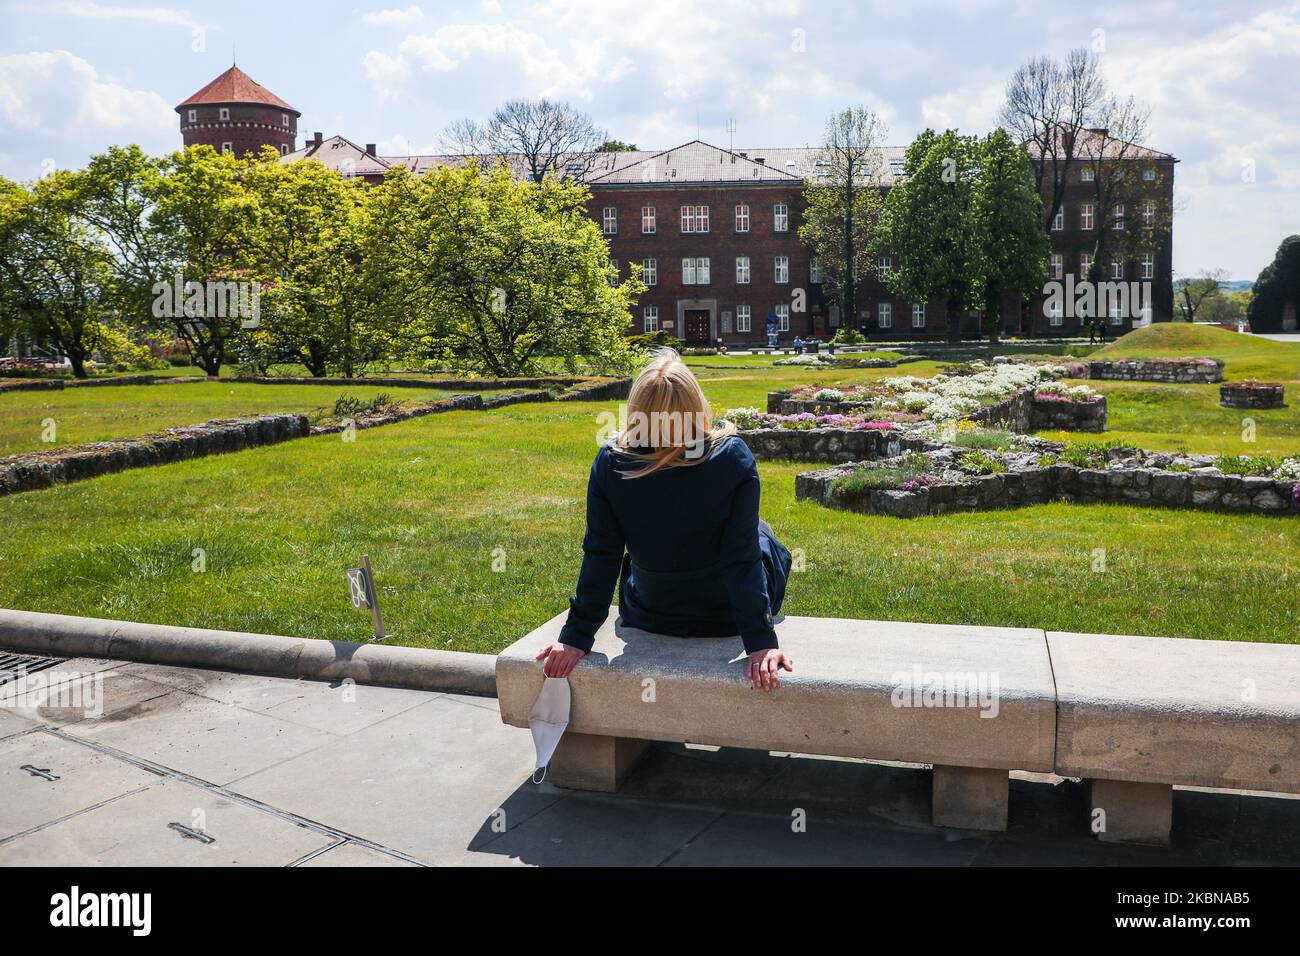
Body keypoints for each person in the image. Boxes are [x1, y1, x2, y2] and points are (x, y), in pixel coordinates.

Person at [536, 348, 795, 692]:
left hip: (651, 610)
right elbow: (740, 557)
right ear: (695, 405)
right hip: (726, 615)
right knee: (761, 533)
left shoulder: (612, 462)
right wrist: (760, 642)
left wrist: (576, 636)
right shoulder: (732, 456)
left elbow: (602, 554)